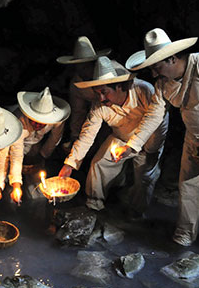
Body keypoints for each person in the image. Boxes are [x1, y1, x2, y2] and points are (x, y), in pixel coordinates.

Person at [121, 27, 199, 258]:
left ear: (171, 58)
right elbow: (154, 115)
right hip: (193, 140)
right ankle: (184, 234)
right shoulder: (162, 84)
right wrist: (133, 144)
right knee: (187, 188)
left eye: (156, 67)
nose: (153, 74)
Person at [58, 56, 168, 218]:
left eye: (104, 92)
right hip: (120, 137)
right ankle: (94, 205)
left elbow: (158, 121)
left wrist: (147, 148)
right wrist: (70, 164)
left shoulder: (144, 91)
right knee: (99, 162)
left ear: (119, 86)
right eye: (97, 93)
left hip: (148, 140)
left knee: (144, 177)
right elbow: (87, 135)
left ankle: (136, 212)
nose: (101, 98)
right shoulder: (99, 105)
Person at [0, 87, 70, 204]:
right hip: (12, 143)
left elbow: (54, 139)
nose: (37, 125)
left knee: (36, 183)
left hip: (35, 143)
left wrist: (43, 155)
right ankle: (10, 199)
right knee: (12, 177)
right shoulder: (18, 121)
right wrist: (16, 184)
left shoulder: (57, 120)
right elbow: (16, 154)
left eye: (42, 123)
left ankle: (35, 203)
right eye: (34, 120)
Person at [56, 36, 111, 147]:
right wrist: (75, 135)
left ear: (93, 64)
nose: (82, 72)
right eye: (79, 67)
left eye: (85, 67)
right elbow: (78, 111)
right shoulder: (76, 84)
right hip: (96, 116)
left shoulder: (109, 74)